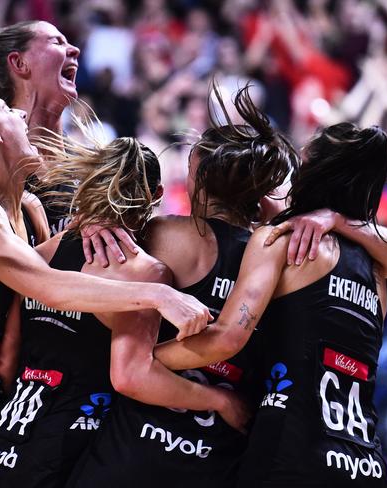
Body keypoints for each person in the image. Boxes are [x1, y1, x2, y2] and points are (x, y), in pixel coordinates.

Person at [0, 80, 212, 488]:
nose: (20, 114)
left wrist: (95, 218)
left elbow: (40, 285)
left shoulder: (28, 209)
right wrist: (159, 294)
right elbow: (44, 284)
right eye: (7, 110)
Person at [154, 122, 387, 487]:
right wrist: (340, 219)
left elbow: (227, 338)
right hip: (364, 462)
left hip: (293, 450)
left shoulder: (284, 240)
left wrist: (150, 359)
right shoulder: (378, 270)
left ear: (314, 168)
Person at [0, 125, 248, 488]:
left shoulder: (43, 254)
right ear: (155, 196)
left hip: (7, 433)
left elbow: (6, 358)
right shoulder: (145, 270)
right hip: (69, 441)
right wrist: (218, 400)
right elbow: (131, 376)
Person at [66, 86, 297, 488]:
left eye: (190, 168)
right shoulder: (280, 257)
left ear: (201, 179)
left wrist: (94, 216)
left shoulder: (165, 234)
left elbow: (81, 269)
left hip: (132, 452)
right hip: (216, 460)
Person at [0, 20, 136, 269]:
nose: (75, 50)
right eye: (57, 42)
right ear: (19, 63)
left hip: (64, 297)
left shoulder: (85, 158)